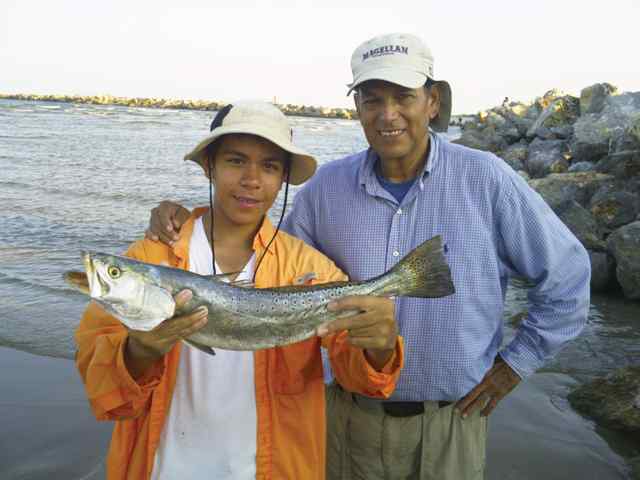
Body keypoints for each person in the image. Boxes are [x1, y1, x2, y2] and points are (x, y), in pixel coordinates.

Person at [146, 33, 591, 479]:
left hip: (450, 423)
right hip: (342, 420)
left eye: (403, 97)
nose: (387, 114)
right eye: (372, 99)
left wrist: (514, 365)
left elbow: (568, 277)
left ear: (432, 102)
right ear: (358, 107)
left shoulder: (488, 179)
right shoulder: (326, 189)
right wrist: (190, 220)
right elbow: (267, 263)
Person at [74, 100, 405, 480]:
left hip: (273, 467)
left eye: (269, 166)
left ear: (283, 179)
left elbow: (358, 377)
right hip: (161, 467)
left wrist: (379, 347)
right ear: (209, 166)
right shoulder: (152, 254)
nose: (252, 179)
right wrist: (138, 351)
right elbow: (98, 379)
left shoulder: (309, 269)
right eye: (235, 160)